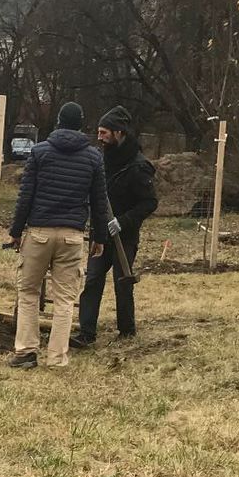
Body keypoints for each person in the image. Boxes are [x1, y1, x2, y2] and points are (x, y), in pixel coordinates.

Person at [7, 102, 108, 370]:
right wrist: (99, 237)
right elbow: (100, 201)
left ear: (59, 123)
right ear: (81, 125)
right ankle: (57, 358)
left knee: (28, 292)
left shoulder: (40, 153)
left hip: (39, 232)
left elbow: (25, 195)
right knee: (64, 298)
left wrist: (16, 231)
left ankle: (27, 352)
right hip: (73, 236)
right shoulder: (94, 158)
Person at [74, 107, 158, 346]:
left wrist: (123, 221)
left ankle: (127, 331)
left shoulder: (138, 166)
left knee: (123, 282)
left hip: (125, 236)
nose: (99, 137)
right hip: (101, 234)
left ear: (119, 133)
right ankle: (86, 333)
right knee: (92, 281)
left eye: (104, 132)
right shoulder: (101, 160)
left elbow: (150, 202)